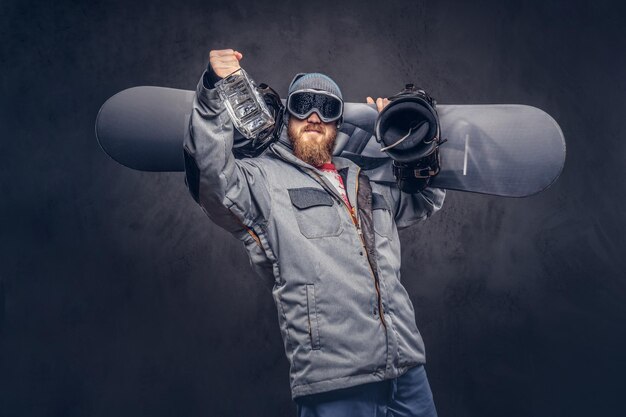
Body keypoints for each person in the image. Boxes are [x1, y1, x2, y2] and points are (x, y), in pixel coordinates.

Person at [183, 48, 445, 417]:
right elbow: (213, 181)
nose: (314, 116)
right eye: (303, 105)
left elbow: (425, 200)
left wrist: (407, 140)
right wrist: (212, 91)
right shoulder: (263, 180)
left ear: (337, 126)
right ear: (287, 118)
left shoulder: (365, 182)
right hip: (337, 380)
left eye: (327, 108)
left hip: (406, 368)